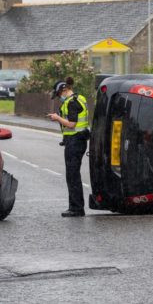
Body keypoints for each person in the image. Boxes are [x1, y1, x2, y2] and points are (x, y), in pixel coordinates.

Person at [47, 77, 90, 217]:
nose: (59, 97)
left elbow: (72, 124)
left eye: (59, 94)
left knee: (72, 176)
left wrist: (57, 118)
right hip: (78, 140)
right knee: (73, 175)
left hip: (75, 141)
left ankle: (76, 208)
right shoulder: (80, 98)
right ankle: (75, 207)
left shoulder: (72, 103)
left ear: (64, 90)